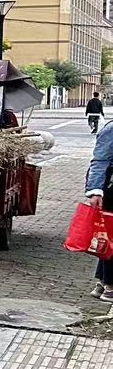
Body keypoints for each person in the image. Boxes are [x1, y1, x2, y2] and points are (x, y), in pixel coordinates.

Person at [84, 115, 113, 300]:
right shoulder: (111, 129)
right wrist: (95, 191)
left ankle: (102, 283)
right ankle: (110, 287)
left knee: (107, 238)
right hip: (111, 189)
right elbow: (99, 160)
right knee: (110, 238)